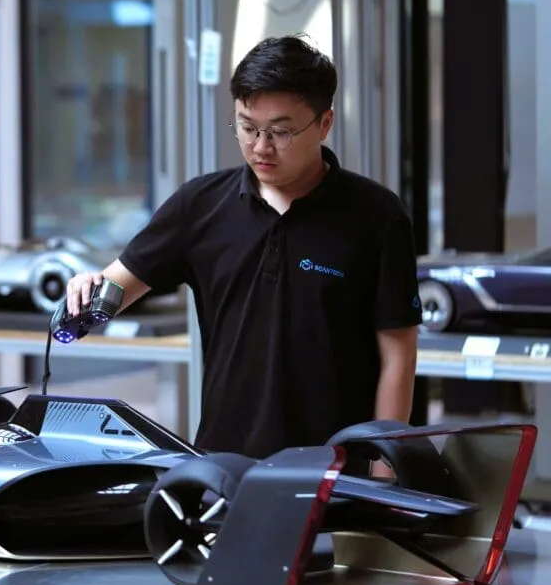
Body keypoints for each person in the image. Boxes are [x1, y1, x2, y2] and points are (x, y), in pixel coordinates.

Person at [65, 35, 422, 462]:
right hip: (222, 465)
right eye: (247, 127)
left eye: (281, 132)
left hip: (336, 470)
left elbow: (398, 357)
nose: (260, 146)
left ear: (324, 124)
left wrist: (385, 471)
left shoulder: (377, 216)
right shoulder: (199, 205)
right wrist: (89, 287)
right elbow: (118, 284)